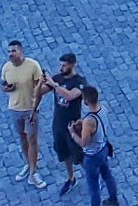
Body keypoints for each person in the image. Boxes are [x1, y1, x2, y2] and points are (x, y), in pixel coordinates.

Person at [0, 41, 48, 189]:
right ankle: (29, 164)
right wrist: (7, 88)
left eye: (13, 51)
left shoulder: (33, 66)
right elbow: (2, 86)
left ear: (21, 52)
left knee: (32, 139)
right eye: (9, 52)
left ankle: (34, 172)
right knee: (22, 137)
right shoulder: (6, 68)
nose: (10, 54)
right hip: (15, 109)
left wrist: (35, 109)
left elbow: (40, 88)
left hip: (30, 110)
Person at [44, 52, 88, 196]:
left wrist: (54, 84)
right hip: (58, 125)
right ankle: (71, 178)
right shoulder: (57, 78)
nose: (61, 67)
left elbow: (70, 95)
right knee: (63, 154)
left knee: (80, 156)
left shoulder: (79, 82)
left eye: (64, 65)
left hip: (74, 126)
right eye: (61, 65)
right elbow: (41, 91)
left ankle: (92, 178)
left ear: (73, 64)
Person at [72, 84, 119, 206]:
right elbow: (97, 126)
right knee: (107, 175)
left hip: (92, 156)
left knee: (94, 188)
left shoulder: (89, 121)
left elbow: (83, 142)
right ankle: (113, 200)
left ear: (86, 100)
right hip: (103, 148)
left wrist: (73, 133)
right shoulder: (102, 109)